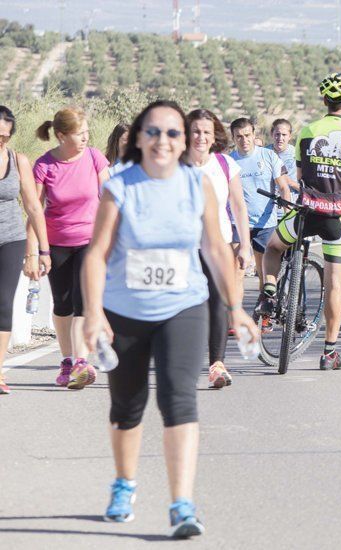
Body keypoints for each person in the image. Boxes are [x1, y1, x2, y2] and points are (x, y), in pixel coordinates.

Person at [81, 100, 259, 538]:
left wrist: (236, 308)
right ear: (140, 138)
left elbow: (217, 249)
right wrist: (93, 312)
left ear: (184, 142)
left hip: (184, 306)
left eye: (173, 133)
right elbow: (96, 255)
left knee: (179, 399)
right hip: (126, 312)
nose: (164, 140)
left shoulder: (198, 184)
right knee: (128, 405)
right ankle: (124, 484)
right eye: (154, 132)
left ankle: (182, 504)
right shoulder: (121, 186)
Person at [258, 73, 341, 370]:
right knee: (335, 287)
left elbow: (301, 177)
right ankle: (329, 353)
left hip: (305, 213)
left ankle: (269, 291)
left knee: (272, 247)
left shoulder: (307, 132)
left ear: (324, 101)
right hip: (337, 219)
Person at [31, 106, 110, 389]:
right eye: (80, 134)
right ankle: (67, 361)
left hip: (90, 241)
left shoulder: (94, 157)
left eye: (88, 132)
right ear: (62, 135)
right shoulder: (44, 165)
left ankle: (80, 362)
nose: (86, 138)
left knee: (82, 302)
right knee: (62, 305)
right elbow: (34, 211)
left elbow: (110, 198)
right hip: (56, 243)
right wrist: (36, 251)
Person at [186, 108, 251, 389]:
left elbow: (238, 206)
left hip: (218, 245)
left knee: (217, 305)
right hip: (181, 249)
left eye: (206, 132)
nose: (201, 137)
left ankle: (217, 364)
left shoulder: (224, 165)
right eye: (196, 131)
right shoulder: (173, 165)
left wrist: (245, 245)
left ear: (215, 137)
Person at [0, 106, 52, 395]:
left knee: (3, 303)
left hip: (10, 239)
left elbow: (33, 206)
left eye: (5, 136)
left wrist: (41, 250)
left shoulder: (18, 161)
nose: (1, 140)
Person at [229, 118, 293, 291]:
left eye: (247, 135)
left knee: (264, 275)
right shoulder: (228, 161)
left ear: (254, 134)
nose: (244, 140)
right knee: (236, 273)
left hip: (265, 224)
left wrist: (287, 218)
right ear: (233, 138)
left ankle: (263, 313)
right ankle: (235, 315)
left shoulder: (269, 156)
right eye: (239, 137)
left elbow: (283, 188)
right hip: (236, 224)